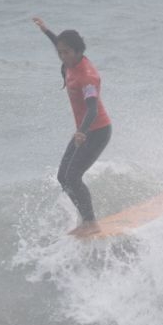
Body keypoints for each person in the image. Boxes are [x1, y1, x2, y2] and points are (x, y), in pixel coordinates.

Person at [32, 16, 112, 236]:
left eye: (67, 52)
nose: (63, 56)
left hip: (96, 131)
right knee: (63, 177)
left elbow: (93, 109)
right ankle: (86, 218)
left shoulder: (87, 77)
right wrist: (46, 30)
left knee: (73, 176)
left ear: (78, 51)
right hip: (84, 131)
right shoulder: (71, 61)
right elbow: (60, 43)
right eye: (60, 53)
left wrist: (81, 132)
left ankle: (90, 222)